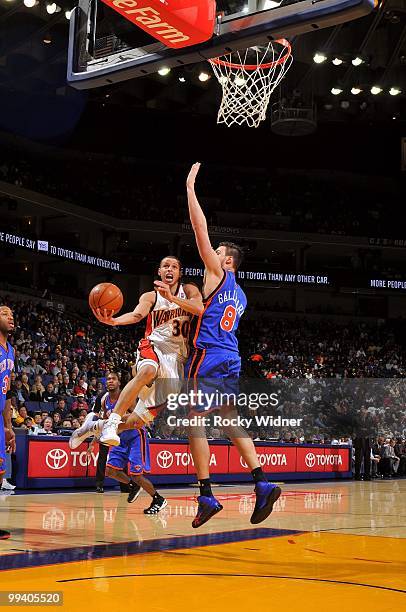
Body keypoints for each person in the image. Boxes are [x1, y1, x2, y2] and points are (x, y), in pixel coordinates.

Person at [184, 163, 281, 528]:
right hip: (231, 358)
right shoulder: (240, 295)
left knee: (194, 423)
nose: (210, 252)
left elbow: (199, 228)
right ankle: (262, 481)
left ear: (226, 260)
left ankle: (206, 494)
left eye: (217, 251)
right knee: (228, 420)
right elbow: (202, 310)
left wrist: (190, 187)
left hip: (207, 357)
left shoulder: (218, 273)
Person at [91, 256, 203, 445]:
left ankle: (93, 427)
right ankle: (112, 420)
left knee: (137, 421)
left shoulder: (189, 290)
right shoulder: (151, 296)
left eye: (174, 267)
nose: (170, 269)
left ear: (179, 273)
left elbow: (199, 308)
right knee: (148, 370)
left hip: (177, 358)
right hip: (154, 346)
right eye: (165, 266)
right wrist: (114, 321)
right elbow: (137, 315)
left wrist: (172, 298)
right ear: (159, 272)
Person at [0, 305, 17, 539]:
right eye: (4, 313)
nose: (11, 317)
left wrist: (8, 426)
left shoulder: (11, 351)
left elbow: (8, 393)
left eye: (12, 314)